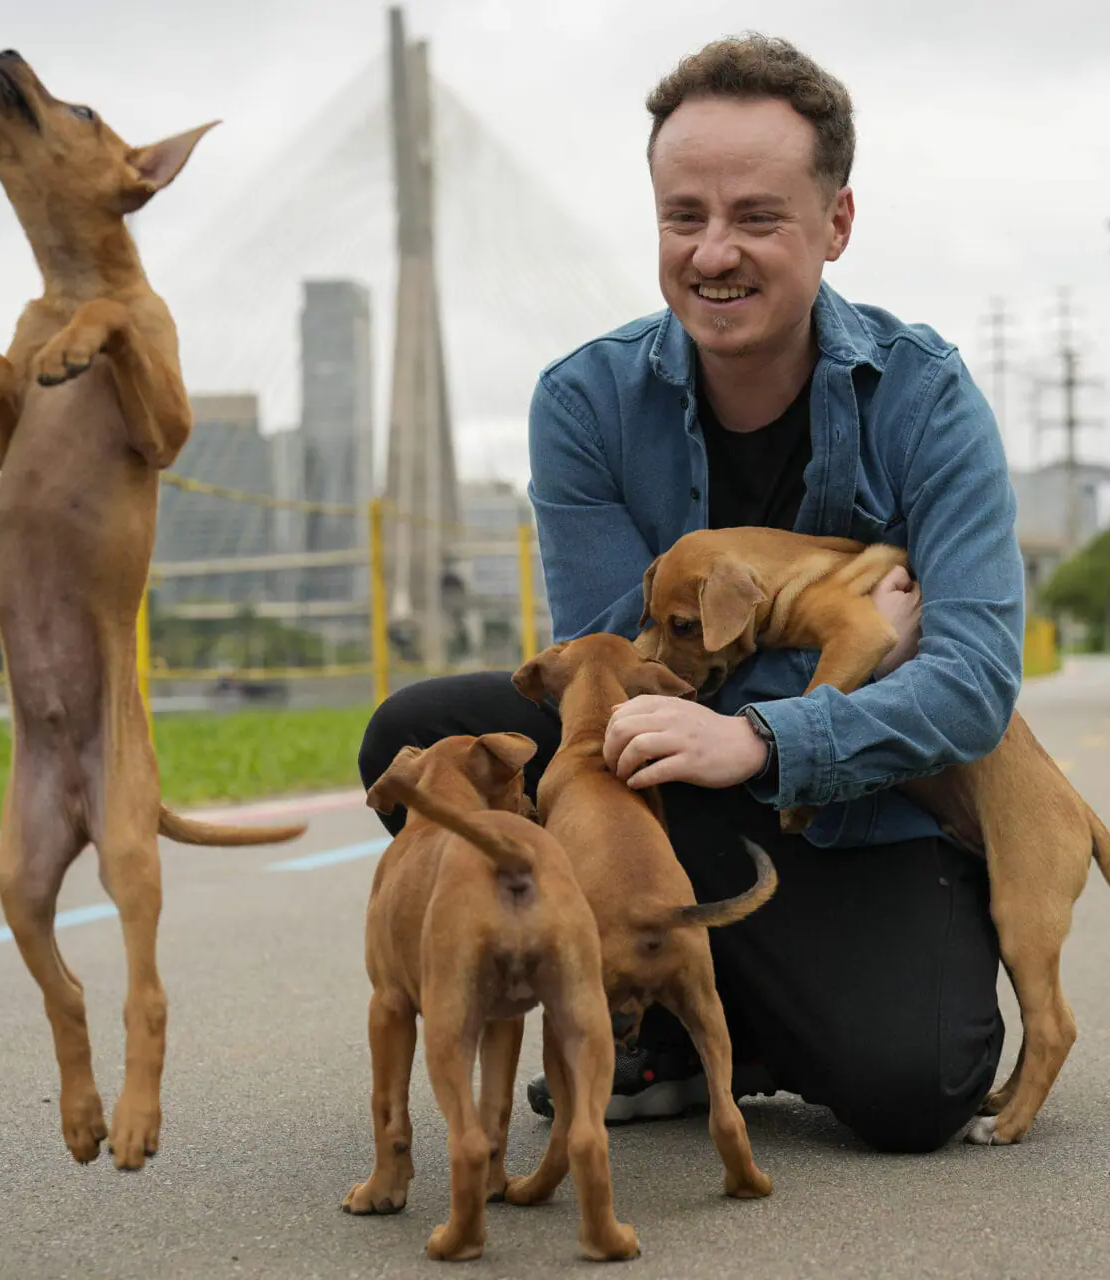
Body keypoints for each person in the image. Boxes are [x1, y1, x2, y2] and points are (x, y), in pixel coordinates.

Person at [357, 33, 1025, 1154]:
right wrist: (860, 646)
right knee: (419, 734)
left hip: (854, 805)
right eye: (684, 216)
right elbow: (608, 662)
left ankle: (736, 1009)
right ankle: (624, 991)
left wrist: (767, 735)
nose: (714, 252)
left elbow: (974, 686)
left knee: (917, 1084)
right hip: (660, 780)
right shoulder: (584, 402)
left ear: (836, 225)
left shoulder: (924, 397)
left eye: (757, 216)